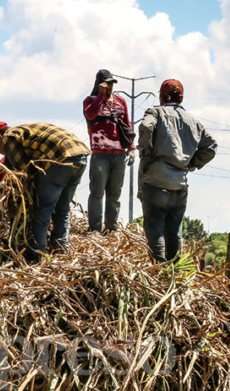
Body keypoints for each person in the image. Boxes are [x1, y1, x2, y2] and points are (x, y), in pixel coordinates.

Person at [137, 79, 217, 263]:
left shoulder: (155, 112)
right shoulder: (194, 122)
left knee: (155, 227)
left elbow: (146, 126)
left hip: (155, 183)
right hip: (180, 185)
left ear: (162, 97)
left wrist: (145, 152)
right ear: (181, 98)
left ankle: (159, 272)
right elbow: (211, 146)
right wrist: (191, 164)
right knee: (174, 231)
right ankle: (174, 273)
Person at [0, 121, 90, 255]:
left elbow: (25, 170)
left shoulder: (8, 138)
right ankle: (60, 246)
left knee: (43, 205)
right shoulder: (24, 131)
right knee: (62, 207)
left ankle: (37, 250)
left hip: (61, 157)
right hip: (79, 155)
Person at [82, 68, 135, 233]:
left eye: (112, 84)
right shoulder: (90, 100)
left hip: (118, 155)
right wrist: (100, 95)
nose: (110, 88)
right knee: (97, 193)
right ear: (99, 85)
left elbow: (127, 124)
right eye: (107, 84)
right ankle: (95, 229)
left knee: (114, 195)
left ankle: (111, 229)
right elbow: (90, 115)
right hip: (100, 155)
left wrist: (131, 148)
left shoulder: (121, 101)